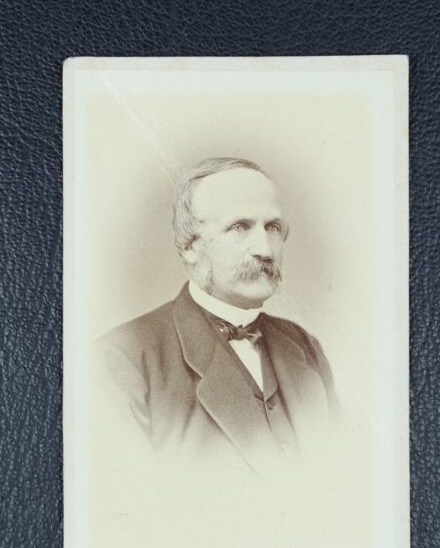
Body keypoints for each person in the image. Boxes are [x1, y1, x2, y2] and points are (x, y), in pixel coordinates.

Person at [98, 157, 337, 469]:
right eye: (239, 227)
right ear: (189, 246)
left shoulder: (305, 346)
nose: (265, 249)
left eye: (273, 227)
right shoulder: (122, 358)